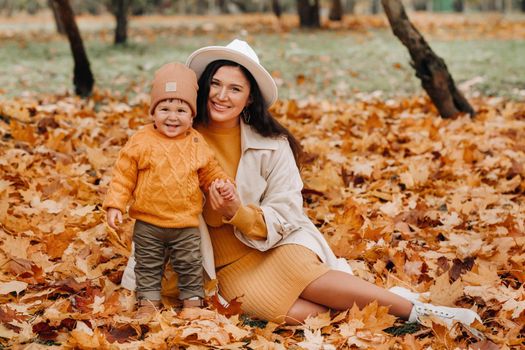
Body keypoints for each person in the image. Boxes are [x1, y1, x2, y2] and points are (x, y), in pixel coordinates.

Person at [121, 40, 484, 339]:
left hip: (271, 244)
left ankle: (421, 312)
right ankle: (389, 305)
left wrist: (239, 212)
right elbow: (146, 194)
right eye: (215, 84)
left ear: (249, 99)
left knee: (304, 276)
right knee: (305, 313)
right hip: (214, 264)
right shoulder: (174, 132)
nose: (221, 95)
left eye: (235, 89)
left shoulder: (272, 144)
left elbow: (287, 210)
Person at [103, 62, 234, 318]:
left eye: (181, 110)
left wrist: (222, 184)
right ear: (153, 112)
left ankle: (193, 304)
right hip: (148, 222)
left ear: (192, 115)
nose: (172, 116)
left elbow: (209, 171)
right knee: (148, 265)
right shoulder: (141, 141)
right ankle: (148, 304)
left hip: (185, 223)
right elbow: (123, 176)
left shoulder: (196, 142)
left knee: (189, 263)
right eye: (164, 108)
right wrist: (115, 204)